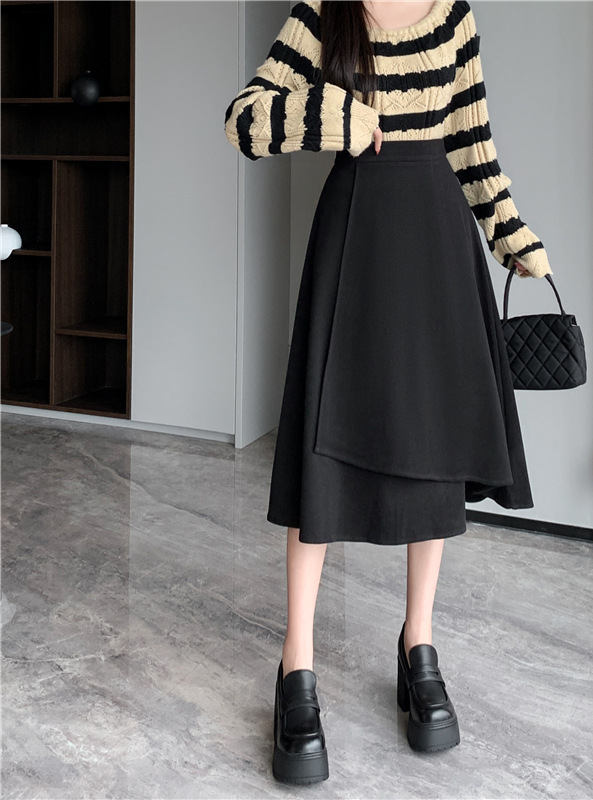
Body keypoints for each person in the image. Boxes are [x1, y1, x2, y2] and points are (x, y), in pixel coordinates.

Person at [224, 0, 553, 784]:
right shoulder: (325, 10)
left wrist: (510, 232)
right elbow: (243, 121)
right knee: (324, 448)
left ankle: (419, 646)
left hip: (437, 240)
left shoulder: (453, 17)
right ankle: (295, 663)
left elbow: (472, 143)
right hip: (355, 236)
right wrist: (331, 117)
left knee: (431, 448)